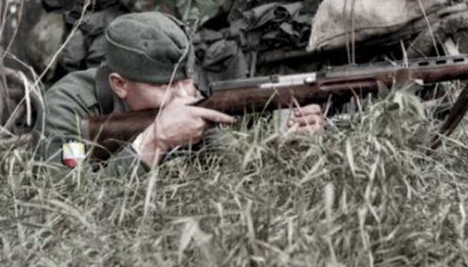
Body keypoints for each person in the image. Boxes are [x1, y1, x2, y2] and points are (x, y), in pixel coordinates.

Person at [34, 12, 325, 174]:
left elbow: (232, 170)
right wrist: (152, 142)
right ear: (119, 85)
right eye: (164, 86)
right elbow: (68, 199)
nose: (183, 96)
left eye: (185, 80)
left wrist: (285, 150)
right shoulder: (68, 108)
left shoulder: (189, 95)